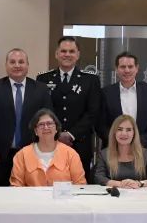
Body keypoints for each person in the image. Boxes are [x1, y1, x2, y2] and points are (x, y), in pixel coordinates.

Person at [0, 48, 53, 186]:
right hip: (1, 155)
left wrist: (44, 149)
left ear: (27, 65)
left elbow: (48, 122)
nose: (17, 65)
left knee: (31, 191)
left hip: (33, 153)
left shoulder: (41, 89)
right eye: (12, 62)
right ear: (6, 65)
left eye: (21, 62)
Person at [36, 36, 101, 180]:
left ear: (78, 55)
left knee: (79, 183)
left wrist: (71, 134)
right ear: (56, 54)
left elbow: (93, 112)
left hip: (80, 143)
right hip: (50, 142)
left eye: (71, 51)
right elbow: (42, 111)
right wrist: (57, 134)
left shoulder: (90, 80)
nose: (67, 54)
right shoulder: (43, 79)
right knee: (50, 181)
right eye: (63, 51)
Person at [98, 52, 147, 161]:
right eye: (123, 67)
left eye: (130, 66)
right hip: (114, 153)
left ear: (137, 68)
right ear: (116, 69)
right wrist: (119, 142)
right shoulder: (105, 93)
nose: (127, 70)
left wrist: (139, 142)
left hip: (144, 152)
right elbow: (100, 125)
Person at [10, 108, 86, 186]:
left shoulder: (71, 154)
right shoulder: (22, 155)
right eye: (41, 124)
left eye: (49, 123)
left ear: (56, 129)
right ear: (35, 131)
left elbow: (80, 185)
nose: (46, 127)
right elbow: (16, 186)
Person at [94, 114, 147, 188]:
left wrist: (139, 183)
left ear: (134, 133)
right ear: (114, 132)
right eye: (119, 129)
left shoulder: (145, 154)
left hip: (139, 194)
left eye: (128, 130)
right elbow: (98, 177)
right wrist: (120, 184)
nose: (124, 133)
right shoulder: (104, 154)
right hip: (114, 194)